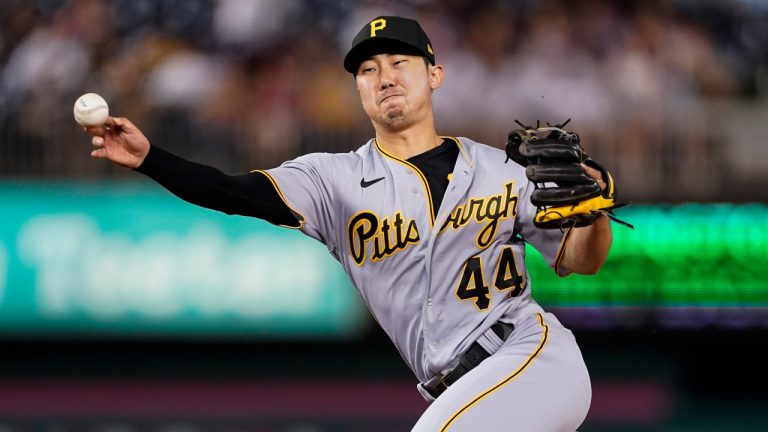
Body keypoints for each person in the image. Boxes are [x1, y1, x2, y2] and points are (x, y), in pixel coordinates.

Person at [84, 16, 612, 431]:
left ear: (434, 74)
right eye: (367, 69)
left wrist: (594, 211)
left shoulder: (502, 168)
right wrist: (152, 157)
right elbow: (233, 192)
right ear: (359, 90)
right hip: (463, 395)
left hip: (530, 358)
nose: (384, 76)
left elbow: (584, 261)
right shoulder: (334, 180)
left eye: (399, 61)